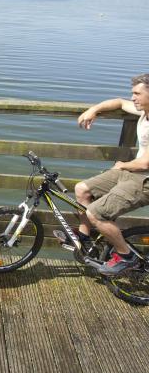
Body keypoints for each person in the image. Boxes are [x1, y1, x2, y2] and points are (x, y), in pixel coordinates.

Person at [74, 73, 149, 276]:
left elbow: (146, 162)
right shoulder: (143, 110)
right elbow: (118, 102)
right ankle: (85, 237)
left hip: (144, 180)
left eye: (137, 94)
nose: (133, 97)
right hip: (133, 172)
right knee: (82, 190)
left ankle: (126, 256)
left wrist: (123, 165)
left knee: (95, 213)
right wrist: (94, 109)